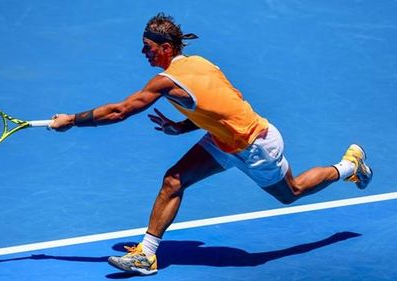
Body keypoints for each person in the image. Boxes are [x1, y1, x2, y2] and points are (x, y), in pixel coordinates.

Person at [50, 13, 373, 276]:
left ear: (165, 47)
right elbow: (227, 102)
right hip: (225, 140)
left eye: (147, 47)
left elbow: (120, 111)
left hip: (255, 146)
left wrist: (71, 120)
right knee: (173, 179)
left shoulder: (166, 81)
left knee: (292, 193)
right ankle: (146, 255)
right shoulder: (201, 63)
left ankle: (347, 167)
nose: (143, 53)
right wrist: (185, 125)